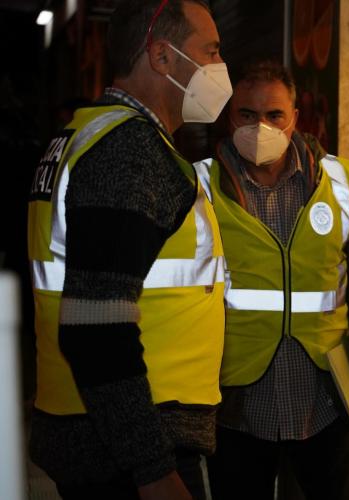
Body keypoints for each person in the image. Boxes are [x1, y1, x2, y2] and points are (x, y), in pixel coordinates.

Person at [27, 0, 232, 498]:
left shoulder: (91, 134)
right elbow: (96, 326)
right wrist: (153, 470)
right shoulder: (127, 150)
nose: (220, 67)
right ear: (162, 57)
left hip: (102, 433)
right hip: (135, 447)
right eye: (210, 52)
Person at [198, 61, 349, 500]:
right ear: (229, 118)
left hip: (326, 400)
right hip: (235, 404)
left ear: (295, 118)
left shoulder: (342, 184)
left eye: (274, 115)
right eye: (247, 115)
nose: (260, 127)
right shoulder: (200, 189)